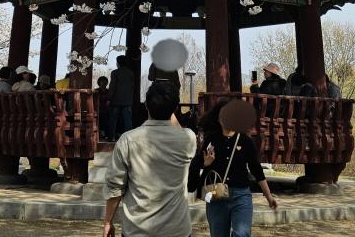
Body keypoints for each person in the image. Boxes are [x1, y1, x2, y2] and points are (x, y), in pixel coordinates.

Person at [102, 81, 195, 237]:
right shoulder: (188, 138)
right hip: (177, 229)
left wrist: (107, 222)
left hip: (137, 229)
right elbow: (177, 127)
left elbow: (115, 188)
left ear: (146, 105)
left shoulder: (128, 140)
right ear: (175, 109)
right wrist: (169, 107)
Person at [187, 105, 278, 236]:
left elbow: (256, 170)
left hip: (241, 195)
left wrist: (269, 197)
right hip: (215, 194)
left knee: (241, 233)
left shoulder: (246, 141)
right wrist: (206, 163)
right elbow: (197, 163)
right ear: (219, 119)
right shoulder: (212, 139)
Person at [108, 55, 137, 140]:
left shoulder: (115, 73)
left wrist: (109, 98)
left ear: (118, 63)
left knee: (113, 120)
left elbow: (112, 86)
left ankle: (111, 137)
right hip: (127, 100)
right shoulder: (131, 73)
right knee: (128, 121)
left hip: (116, 100)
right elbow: (132, 87)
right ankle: (129, 138)